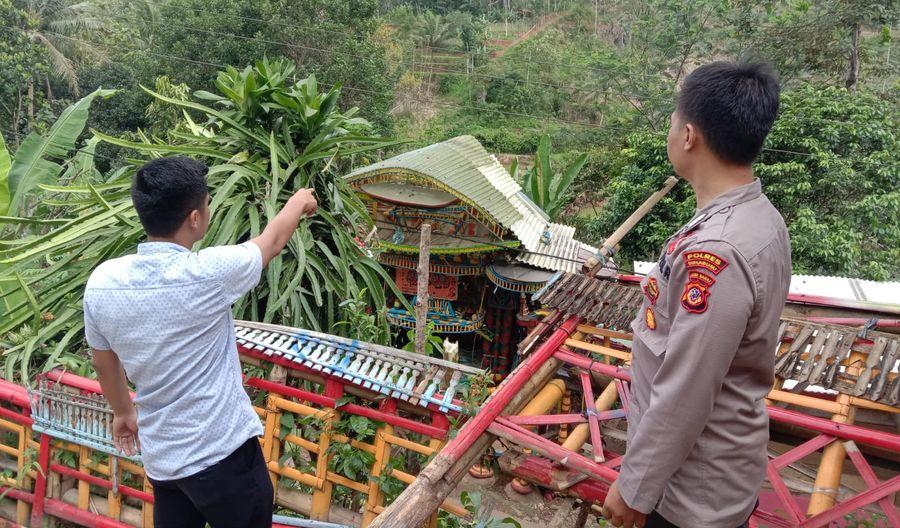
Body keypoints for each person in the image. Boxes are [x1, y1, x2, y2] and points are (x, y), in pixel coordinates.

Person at [601, 61, 791, 528]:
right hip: (711, 477)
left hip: (688, 497)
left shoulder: (718, 250)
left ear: (688, 135)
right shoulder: (758, 217)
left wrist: (634, 486)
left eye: (671, 121)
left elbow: (687, 387)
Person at [84, 157, 318, 528]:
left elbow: (102, 359)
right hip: (224, 457)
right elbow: (271, 242)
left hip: (164, 463)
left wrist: (123, 412)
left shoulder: (103, 282)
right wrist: (299, 201)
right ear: (195, 218)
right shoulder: (208, 273)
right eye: (207, 204)